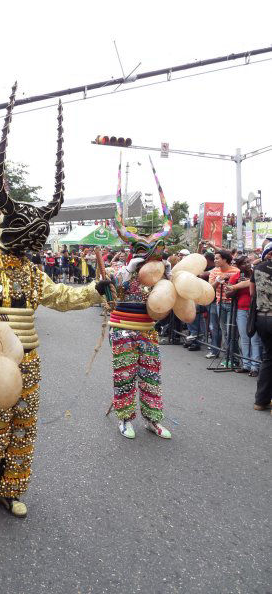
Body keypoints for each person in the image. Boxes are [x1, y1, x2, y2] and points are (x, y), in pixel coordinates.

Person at [0, 93, 111, 518]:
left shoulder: (35, 273)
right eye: (26, 235)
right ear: (9, 231)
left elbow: (62, 297)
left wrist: (94, 291)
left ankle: (11, 489)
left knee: (23, 427)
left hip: (30, 359)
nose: (29, 245)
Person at [109, 158, 173, 441]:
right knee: (124, 375)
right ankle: (124, 419)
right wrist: (131, 268)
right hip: (123, 328)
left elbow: (167, 300)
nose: (150, 257)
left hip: (148, 330)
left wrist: (168, 275)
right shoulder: (123, 270)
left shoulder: (159, 274)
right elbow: (118, 287)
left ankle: (153, 419)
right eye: (144, 253)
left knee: (151, 376)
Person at [225, 257, 262, 376]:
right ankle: (246, 365)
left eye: (248, 262)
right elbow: (228, 293)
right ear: (239, 266)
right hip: (241, 310)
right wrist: (237, 285)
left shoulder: (257, 273)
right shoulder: (236, 276)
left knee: (255, 339)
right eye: (243, 263)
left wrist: (245, 283)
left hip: (255, 310)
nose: (247, 265)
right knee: (245, 339)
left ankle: (255, 366)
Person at [206, 250, 240, 361]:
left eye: (217, 258)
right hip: (219, 304)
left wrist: (227, 276)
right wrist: (217, 281)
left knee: (232, 332)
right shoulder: (214, 271)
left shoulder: (236, 270)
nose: (215, 260)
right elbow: (210, 288)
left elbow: (239, 282)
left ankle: (233, 358)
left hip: (232, 304)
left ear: (225, 259)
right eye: (215, 258)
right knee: (225, 331)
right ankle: (228, 356)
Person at [250, 242, 272, 411]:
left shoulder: (258, 268)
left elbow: (252, 293)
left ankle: (261, 401)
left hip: (261, 318)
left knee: (268, 358)